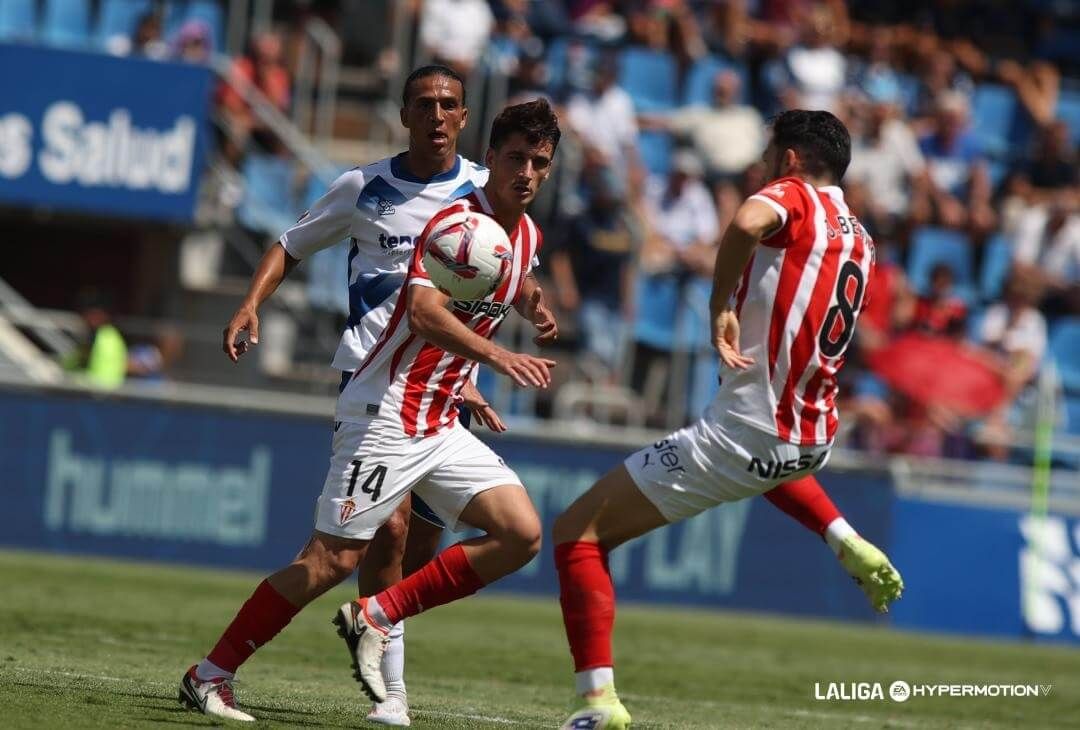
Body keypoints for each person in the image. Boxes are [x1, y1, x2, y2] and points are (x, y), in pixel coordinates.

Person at [553, 110, 905, 730]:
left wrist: (721, 307)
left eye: (770, 154)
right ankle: (842, 536)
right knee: (765, 467)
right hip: (813, 438)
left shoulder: (792, 194)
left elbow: (746, 221)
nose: (762, 164)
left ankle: (597, 704)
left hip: (743, 433)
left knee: (577, 536)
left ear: (791, 159)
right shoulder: (861, 235)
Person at [179, 65, 493, 726]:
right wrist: (250, 303)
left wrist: (470, 374)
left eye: (449, 105)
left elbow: (490, 291)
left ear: (464, 117)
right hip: (373, 385)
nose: (437, 116)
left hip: (438, 396)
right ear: (405, 114)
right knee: (353, 549)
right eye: (425, 104)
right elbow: (289, 245)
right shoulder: (364, 187)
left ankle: (391, 695)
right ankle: (213, 673)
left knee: (412, 543)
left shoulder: (483, 196)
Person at [326, 99, 561, 705]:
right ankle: (389, 698)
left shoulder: (520, 232)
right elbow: (427, 310)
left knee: (458, 543)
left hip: (445, 401)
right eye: (517, 158)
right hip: (384, 385)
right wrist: (495, 358)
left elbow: (503, 276)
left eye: (540, 162)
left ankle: (378, 622)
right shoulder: (447, 214)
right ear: (489, 158)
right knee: (369, 542)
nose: (528, 172)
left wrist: (532, 303)